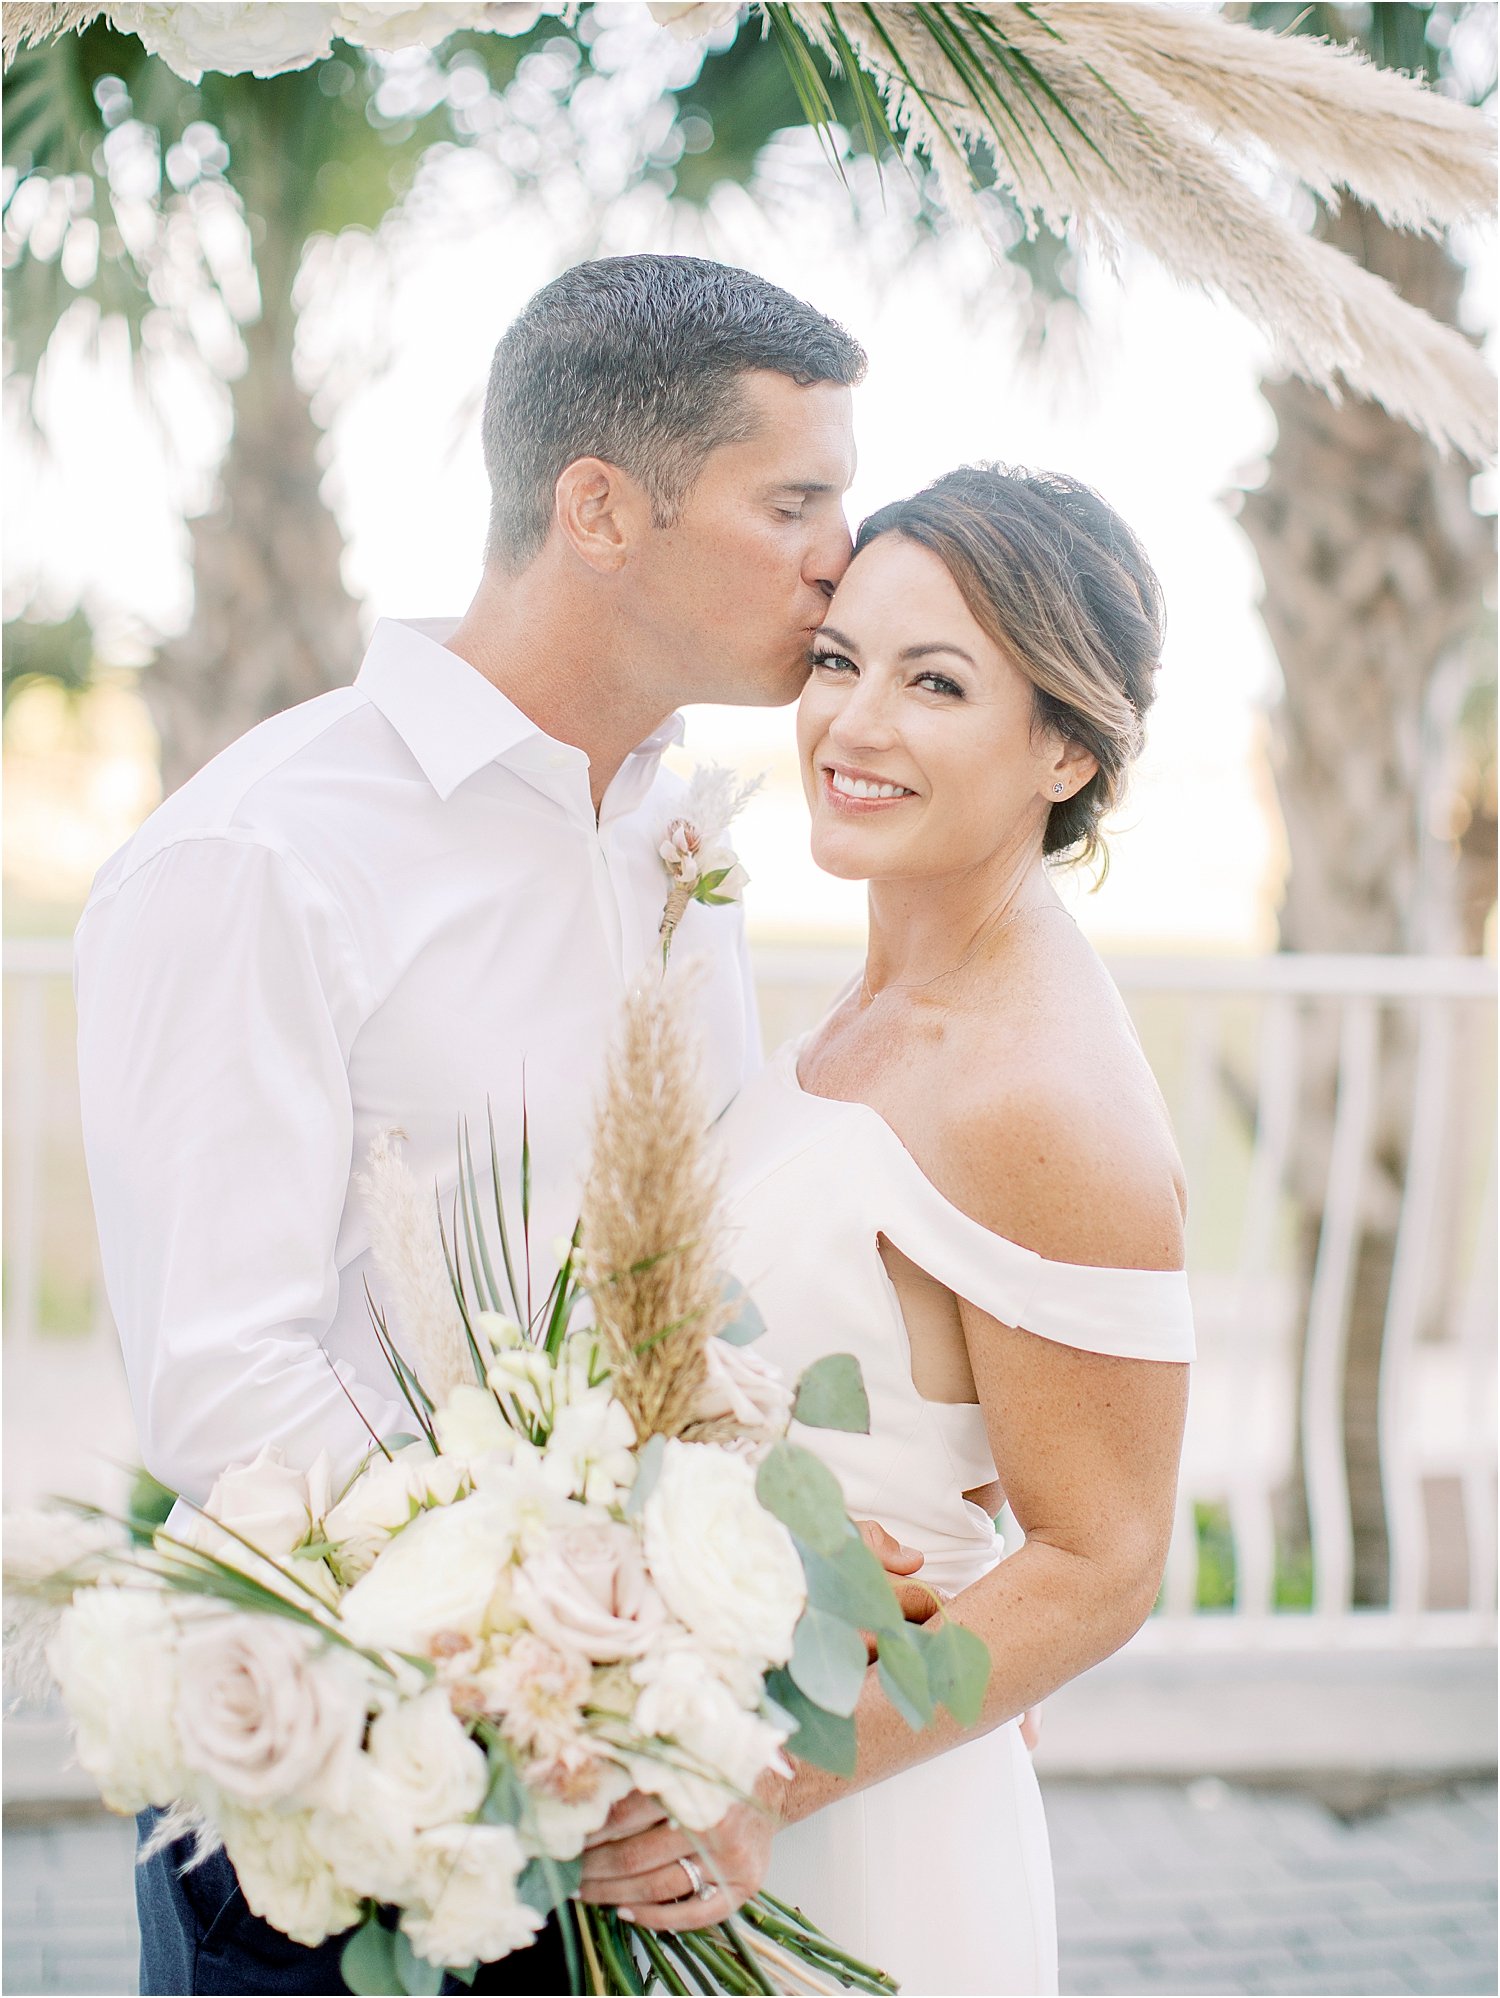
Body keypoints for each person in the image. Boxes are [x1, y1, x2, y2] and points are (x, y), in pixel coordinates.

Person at [75, 253, 930, 1996]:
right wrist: (573, 1663)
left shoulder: (671, 832)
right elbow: (227, 1387)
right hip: (348, 1812)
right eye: (796, 500)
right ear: (602, 507)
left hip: (624, 1787)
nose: (843, 550)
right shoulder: (265, 856)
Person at [576, 465, 1194, 1995]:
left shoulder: (1044, 1096)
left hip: (853, 1836)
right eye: (841, 660)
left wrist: (766, 1778)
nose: (853, 724)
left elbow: (1105, 1559)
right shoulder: (882, 996)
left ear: (1063, 742)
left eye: (937, 681)